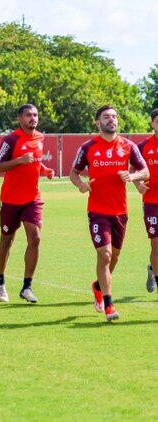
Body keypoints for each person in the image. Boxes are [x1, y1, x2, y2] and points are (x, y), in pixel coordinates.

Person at [70, 105, 148, 322]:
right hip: (97, 211)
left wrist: (132, 177)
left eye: (114, 116)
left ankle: (97, 286)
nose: (111, 120)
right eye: (106, 117)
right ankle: (109, 305)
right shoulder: (88, 147)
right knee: (104, 255)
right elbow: (74, 172)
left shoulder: (128, 146)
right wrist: (81, 185)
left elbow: (145, 171)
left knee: (113, 258)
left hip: (120, 212)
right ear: (98, 122)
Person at [0, 104, 54, 304]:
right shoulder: (11, 140)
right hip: (10, 199)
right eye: (28, 115)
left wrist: (44, 169)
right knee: (7, 240)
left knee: (35, 238)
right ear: (20, 118)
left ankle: (27, 286)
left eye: (35, 114)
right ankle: (0, 280)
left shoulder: (41, 138)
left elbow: (34, 160)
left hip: (32, 198)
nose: (33, 118)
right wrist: (19, 160)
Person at [136, 109, 158, 295]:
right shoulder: (143, 146)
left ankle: (153, 268)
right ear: (152, 124)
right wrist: (137, 183)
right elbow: (133, 169)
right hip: (152, 202)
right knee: (156, 244)